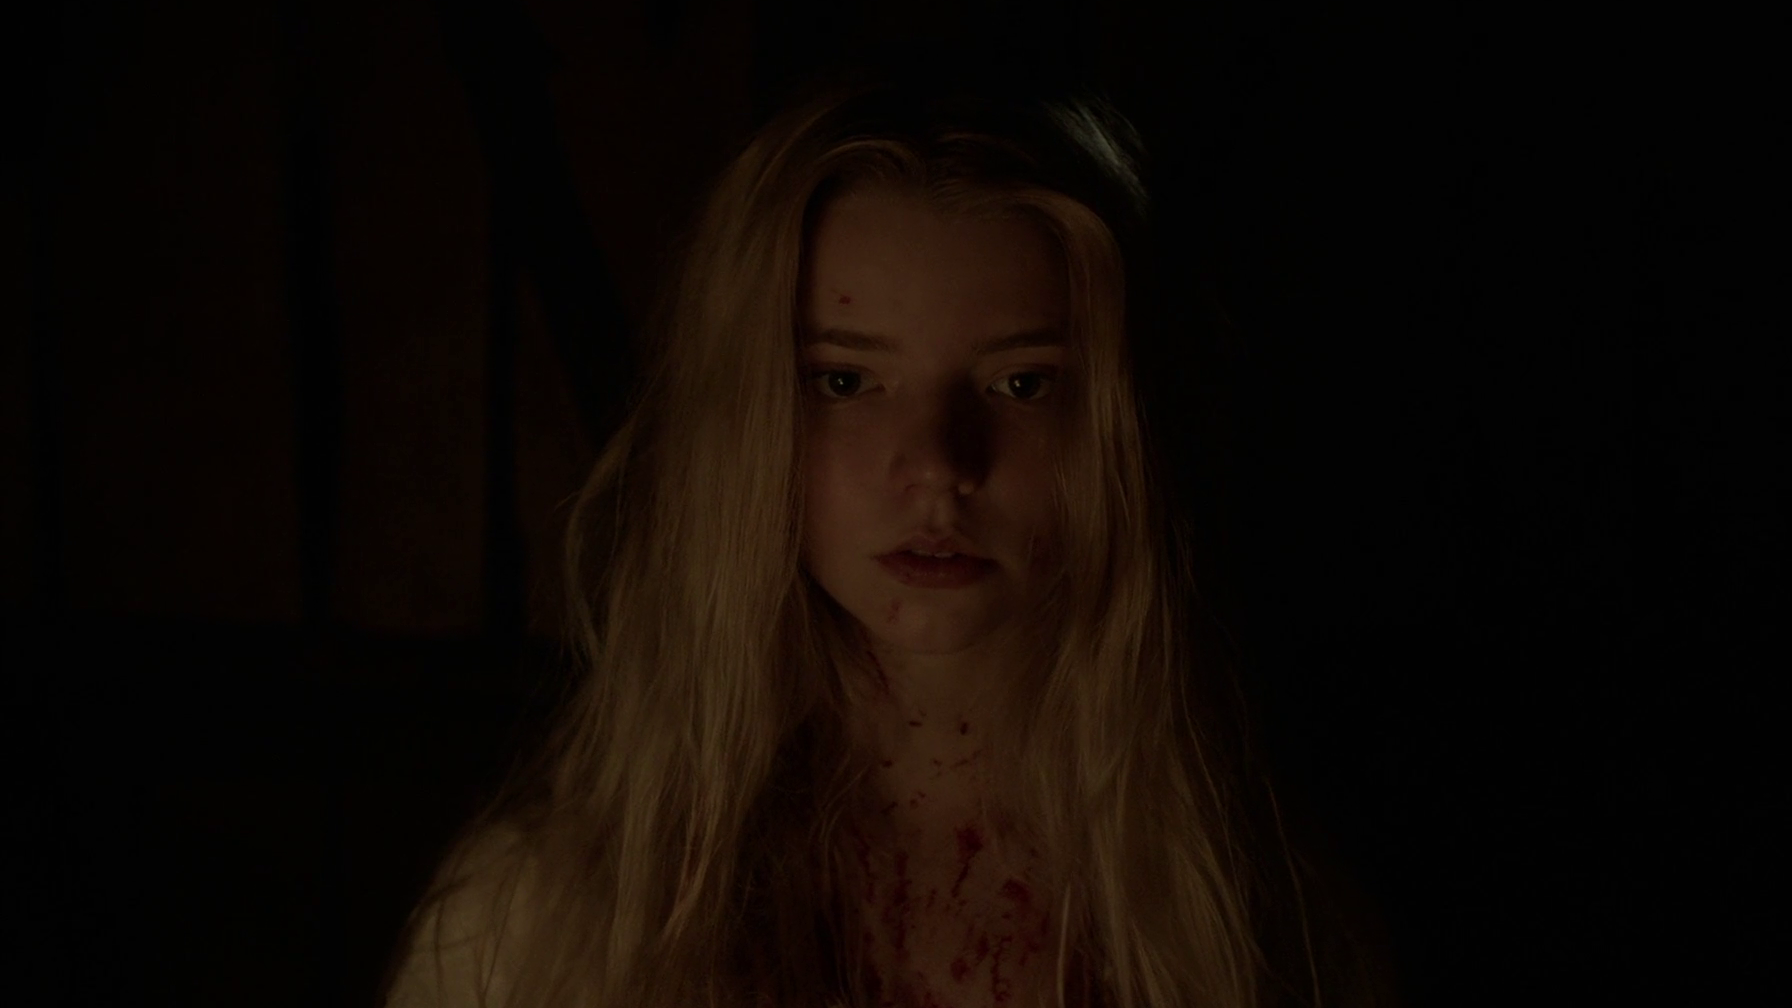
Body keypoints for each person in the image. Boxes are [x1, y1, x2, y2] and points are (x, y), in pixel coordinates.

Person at [382, 71, 1394, 1008]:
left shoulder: (1248, 915)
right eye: (845, 380)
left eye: (1022, 383)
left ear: (1122, 428)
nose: (938, 465)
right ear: (741, 418)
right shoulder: (542, 917)